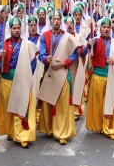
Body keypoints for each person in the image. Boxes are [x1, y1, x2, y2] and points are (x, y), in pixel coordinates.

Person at [0, 17, 38, 148]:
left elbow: (33, 63)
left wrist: (27, 77)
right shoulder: (3, 43)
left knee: (21, 107)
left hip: (21, 81)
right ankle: (11, 132)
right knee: (9, 108)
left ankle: (22, 136)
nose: (17, 30)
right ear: (10, 29)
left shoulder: (27, 44)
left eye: (18, 28)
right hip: (6, 80)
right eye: (14, 28)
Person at [37, 10, 79, 145]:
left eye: (58, 19)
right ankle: (49, 128)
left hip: (63, 74)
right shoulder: (44, 36)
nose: (56, 21)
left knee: (62, 105)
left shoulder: (67, 37)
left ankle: (61, 132)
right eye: (54, 19)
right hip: (49, 73)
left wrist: (64, 63)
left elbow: (75, 53)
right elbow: (41, 53)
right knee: (49, 102)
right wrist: (45, 58)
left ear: (61, 21)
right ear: (50, 21)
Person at [86, 17, 114, 140]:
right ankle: (99, 125)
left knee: (111, 102)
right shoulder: (95, 41)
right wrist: (89, 45)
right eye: (104, 27)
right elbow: (86, 54)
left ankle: (110, 128)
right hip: (97, 77)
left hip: (111, 76)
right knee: (98, 104)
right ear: (100, 28)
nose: (107, 29)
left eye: (108, 27)